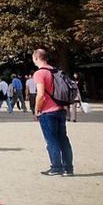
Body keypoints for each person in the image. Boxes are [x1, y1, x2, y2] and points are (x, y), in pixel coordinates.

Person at [32, 49, 75, 177]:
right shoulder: (56, 71)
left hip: (47, 111)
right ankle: (68, 168)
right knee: (63, 139)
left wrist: (37, 110)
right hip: (60, 109)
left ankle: (56, 167)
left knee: (51, 141)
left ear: (36, 58)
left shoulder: (39, 74)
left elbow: (40, 95)